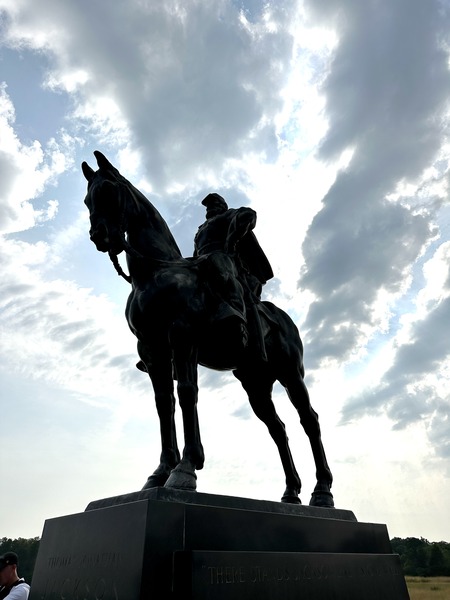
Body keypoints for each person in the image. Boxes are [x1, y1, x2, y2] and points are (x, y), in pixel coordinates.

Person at [194, 193, 274, 354]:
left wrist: (231, 240)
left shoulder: (228, 215)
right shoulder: (201, 229)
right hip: (203, 262)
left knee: (218, 264)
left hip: (227, 262)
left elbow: (249, 214)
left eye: (214, 204)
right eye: (208, 206)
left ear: (223, 206)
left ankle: (238, 322)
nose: (210, 208)